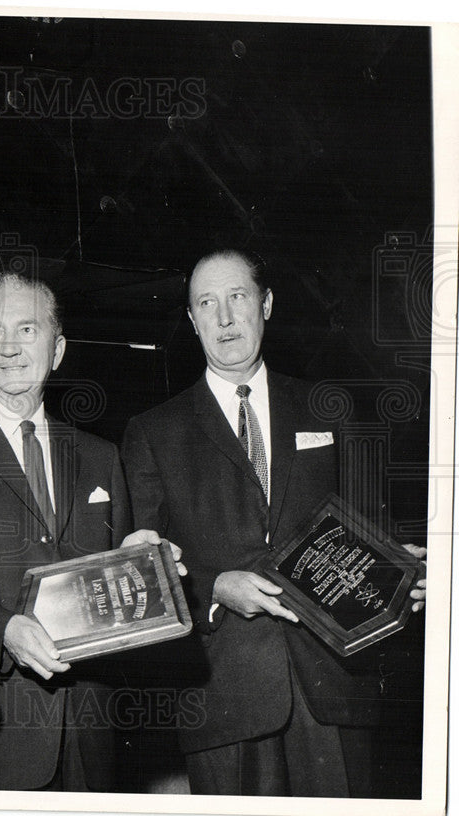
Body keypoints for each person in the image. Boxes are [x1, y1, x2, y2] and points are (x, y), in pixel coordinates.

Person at [121, 248, 426, 796]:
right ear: (191, 322)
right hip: (224, 701)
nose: (224, 318)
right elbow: (146, 577)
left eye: (237, 297)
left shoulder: (330, 407)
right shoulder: (152, 432)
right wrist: (215, 587)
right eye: (206, 303)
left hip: (335, 690)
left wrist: (401, 580)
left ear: (265, 305)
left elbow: (372, 533)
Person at [0, 272, 185, 791]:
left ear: (57, 351)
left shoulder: (102, 457)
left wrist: (145, 569)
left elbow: (117, 594)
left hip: (96, 731)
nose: (9, 348)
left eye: (27, 330)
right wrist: (2, 632)